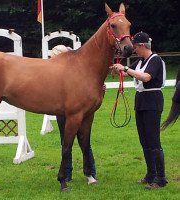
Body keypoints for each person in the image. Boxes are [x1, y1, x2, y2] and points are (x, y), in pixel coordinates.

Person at [110, 32, 168, 189]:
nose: (134, 50)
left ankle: (161, 178)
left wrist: (126, 68)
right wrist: (117, 68)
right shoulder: (142, 60)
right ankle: (151, 174)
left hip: (152, 99)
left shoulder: (155, 60)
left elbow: (146, 77)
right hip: (141, 100)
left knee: (153, 140)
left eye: (135, 47)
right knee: (144, 140)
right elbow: (127, 71)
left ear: (142, 46)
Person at [50, 45, 102, 184]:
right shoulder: (55, 76)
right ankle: (69, 173)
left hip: (79, 111)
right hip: (63, 112)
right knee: (67, 141)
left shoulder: (79, 74)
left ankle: (89, 172)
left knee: (84, 141)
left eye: (54, 56)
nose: (52, 60)